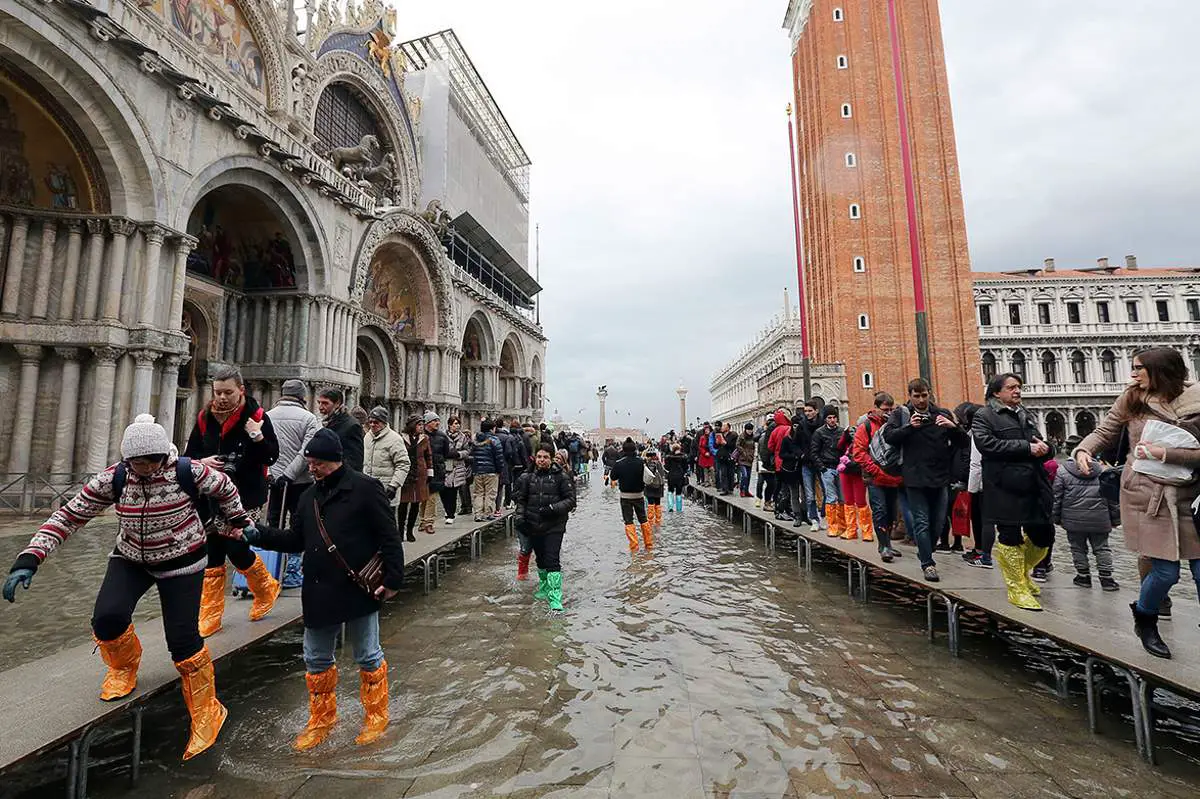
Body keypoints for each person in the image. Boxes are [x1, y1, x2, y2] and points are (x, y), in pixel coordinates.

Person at [4, 414, 253, 760]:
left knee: (183, 642)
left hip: (183, 559)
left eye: (152, 460)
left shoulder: (187, 471)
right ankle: (123, 666)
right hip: (132, 556)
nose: (146, 468)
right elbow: (69, 515)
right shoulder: (116, 478)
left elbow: (225, 487)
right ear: (126, 459)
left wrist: (240, 521)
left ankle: (208, 711)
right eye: (138, 462)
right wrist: (30, 557)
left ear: (163, 456)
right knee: (106, 619)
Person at [245, 428, 405, 749]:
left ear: (335, 460)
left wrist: (392, 580)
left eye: (317, 463)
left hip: (359, 587)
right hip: (319, 590)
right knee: (316, 659)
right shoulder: (308, 498)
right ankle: (321, 720)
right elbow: (296, 539)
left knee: (368, 655)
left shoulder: (365, 489)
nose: (312, 468)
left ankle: (376, 717)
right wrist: (258, 535)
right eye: (310, 462)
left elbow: (390, 536)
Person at [1074, 346, 1200, 658]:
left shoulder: (1196, 401)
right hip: (1146, 495)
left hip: (1190, 496)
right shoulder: (1132, 397)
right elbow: (1106, 430)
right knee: (1166, 573)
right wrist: (1083, 450)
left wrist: (1165, 454)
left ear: (1160, 371)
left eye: (1139, 368)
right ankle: (1146, 619)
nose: (1133, 374)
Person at [184, 365, 281, 636]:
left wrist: (257, 435)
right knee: (212, 550)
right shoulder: (205, 418)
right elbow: (188, 454)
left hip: (245, 494)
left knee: (236, 549)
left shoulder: (257, 417)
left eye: (228, 392)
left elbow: (271, 456)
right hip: (210, 494)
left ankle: (266, 588)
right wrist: (202, 462)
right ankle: (211, 613)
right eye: (218, 392)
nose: (222, 398)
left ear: (241, 390)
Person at [972, 373, 1056, 611]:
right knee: (1009, 535)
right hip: (1003, 485)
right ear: (997, 392)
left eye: (1019, 387)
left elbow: (1040, 442)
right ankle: (1016, 587)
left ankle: (1023, 573)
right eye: (1011, 387)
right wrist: (1026, 448)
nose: (1017, 391)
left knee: (1044, 534)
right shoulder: (985, 415)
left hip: (1033, 483)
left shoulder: (1025, 414)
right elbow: (986, 445)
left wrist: (1046, 448)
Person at [882, 380, 968, 583]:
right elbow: (889, 437)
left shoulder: (942, 414)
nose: (921, 400)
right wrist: (909, 428)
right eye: (916, 396)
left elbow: (964, 443)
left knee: (937, 524)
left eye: (924, 395)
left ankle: (925, 550)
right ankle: (928, 564)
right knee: (921, 522)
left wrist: (953, 428)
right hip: (914, 478)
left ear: (930, 394)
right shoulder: (901, 415)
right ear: (910, 396)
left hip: (940, 478)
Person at [266, 379, 321, 588]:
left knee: (273, 524)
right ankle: (292, 572)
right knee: (300, 525)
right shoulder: (309, 419)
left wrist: (272, 473)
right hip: (300, 482)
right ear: (302, 396)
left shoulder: (267, 416)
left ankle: (272, 570)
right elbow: (307, 452)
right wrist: (289, 474)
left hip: (274, 481)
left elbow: (263, 449)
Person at [512, 444, 576, 611]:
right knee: (540, 559)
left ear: (551, 458)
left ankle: (555, 596)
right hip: (533, 524)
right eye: (539, 457)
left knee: (552, 559)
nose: (542, 460)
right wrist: (520, 518)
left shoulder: (561, 477)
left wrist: (552, 509)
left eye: (545, 457)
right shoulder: (527, 477)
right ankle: (544, 586)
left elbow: (570, 500)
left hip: (555, 525)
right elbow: (521, 500)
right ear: (535, 458)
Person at [1053, 453, 1121, 591]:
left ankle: (1083, 576)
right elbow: (1112, 499)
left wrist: (1056, 518)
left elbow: (1057, 497)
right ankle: (1106, 578)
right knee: (1102, 548)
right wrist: (1116, 519)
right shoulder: (1103, 471)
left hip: (1073, 519)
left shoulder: (1063, 471)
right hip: (1099, 519)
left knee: (1077, 548)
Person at [853, 392, 904, 563]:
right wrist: (875, 470)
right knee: (880, 510)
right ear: (876, 408)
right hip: (875, 477)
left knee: (891, 513)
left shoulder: (896, 425)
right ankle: (883, 546)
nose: (888, 412)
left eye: (891, 409)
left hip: (893, 477)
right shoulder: (866, 427)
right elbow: (859, 453)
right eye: (885, 409)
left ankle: (887, 542)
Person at [363, 407, 411, 540]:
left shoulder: (394, 439)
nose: (373, 425)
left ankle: (392, 552)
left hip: (387, 489)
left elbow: (403, 464)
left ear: (384, 423)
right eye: (371, 422)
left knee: (387, 525)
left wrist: (394, 485)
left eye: (376, 422)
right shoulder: (367, 437)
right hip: (368, 488)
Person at [610, 438, 652, 553]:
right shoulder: (640, 462)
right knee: (643, 519)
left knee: (628, 521)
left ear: (623, 449)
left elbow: (613, 477)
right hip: (639, 495)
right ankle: (649, 545)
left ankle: (634, 547)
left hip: (625, 497)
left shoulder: (619, 464)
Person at [811, 406, 846, 537]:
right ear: (825, 419)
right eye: (829, 418)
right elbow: (814, 452)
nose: (832, 420)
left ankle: (843, 526)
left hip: (840, 467)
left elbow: (846, 449)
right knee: (831, 498)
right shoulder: (819, 433)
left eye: (834, 417)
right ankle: (833, 526)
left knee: (842, 498)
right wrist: (822, 468)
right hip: (827, 468)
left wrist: (844, 463)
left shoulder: (842, 432)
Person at [397, 415, 433, 539]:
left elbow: (428, 456)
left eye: (422, 425)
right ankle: (400, 531)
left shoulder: (424, 439)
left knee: (416, 503)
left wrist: (430, 472)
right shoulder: (401, 438)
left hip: (420, 473)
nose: (421, 427)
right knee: (403, 504)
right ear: (412, 425)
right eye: (419, 425)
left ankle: (410, 531)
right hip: (406, 472)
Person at [423, 412, 461, 528]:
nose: (437, 423)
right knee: (423, 497)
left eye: (438, 420)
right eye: (434, 421)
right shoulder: (422, 436)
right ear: (428, 423)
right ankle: (422, 520)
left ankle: (429, 522)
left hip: (437, 470)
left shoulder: (442, 436)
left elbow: (446, 453)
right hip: (423, 469)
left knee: (432, 496)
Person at [837, 419, 870, 542]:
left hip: (858, 472)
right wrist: (845, 436)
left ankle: (866, 531)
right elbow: (839, 447)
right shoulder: (846, 440)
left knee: (861, 501)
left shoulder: (865, 439)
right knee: (848, 501)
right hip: (845, 472)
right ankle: (851, 529)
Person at [317, 388, 365, 472]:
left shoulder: (351, 426)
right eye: (319, 403)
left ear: (337, 403)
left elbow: (354, 461)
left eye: (325, 403)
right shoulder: (324, 423)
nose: (320, 407)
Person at [472, 419, 507, 522]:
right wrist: (500, 469)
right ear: (492, 429)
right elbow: (499, 457)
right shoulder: (495, 440)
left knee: (478, 493)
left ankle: (478, 514)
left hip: (478, 471)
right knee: (490, 493)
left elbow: (472, 454)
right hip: (491, 471)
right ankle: (488, 513)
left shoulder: (476, 440)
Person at [778, 415, 808, 528]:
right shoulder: (787, 439)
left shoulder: (804, 439)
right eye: (794, 426)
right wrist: (794, 456)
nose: (796, 428)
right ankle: (797, 516)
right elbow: (781, 454)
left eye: (798, 426)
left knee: (806, 494)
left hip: (803, 468)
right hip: (791, 469)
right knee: (794, 493)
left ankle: (804, 513)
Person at [444, 417, 474, 521]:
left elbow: (468, 451)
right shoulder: (444, 436)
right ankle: (449, 511)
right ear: (449, 425)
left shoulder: (463, 437)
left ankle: (453, 513)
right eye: (455, 424)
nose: (457, 426)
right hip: (447, 467)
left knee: (459, 490)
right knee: (447, 491)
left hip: (459, 467)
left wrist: (459, 454)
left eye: (458, 424)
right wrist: (445, 454)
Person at [755, 415, 777, 512]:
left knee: (770, 483)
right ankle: (761, 499)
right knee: (764, 482)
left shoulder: (765, 436)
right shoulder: (763, 437)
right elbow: (762, 452)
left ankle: (767, 500)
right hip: (764, 463)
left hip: (767, 463)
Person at [644, 449, 667, 526]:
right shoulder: (659, 463)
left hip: (649, 485)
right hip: (658, 486)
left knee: (650, 503)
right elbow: (662, 474)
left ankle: (650, 521)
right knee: (658, 503)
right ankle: (658, 521)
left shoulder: (645, 464)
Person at [664, 443, 688, 513]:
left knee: (670, 491)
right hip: (680, 476)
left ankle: (670, 507)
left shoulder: (669, 457)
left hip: (671, 475)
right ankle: (679, 509)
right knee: (679, 492)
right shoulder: (684, 457)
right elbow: (686, 467)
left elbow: (666, 467)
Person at [736, 423, 757, 498]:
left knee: (748, 476)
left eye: (751, 430)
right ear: (745, 429)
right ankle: (742, 490)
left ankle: (747, 491)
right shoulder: (741, 436)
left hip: (750, 459)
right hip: (742, 459)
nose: (750, 431)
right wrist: (743, 452)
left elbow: (754, 447)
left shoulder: (753, 437)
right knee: (744, 475)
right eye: (748, 430)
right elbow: (737, 445)